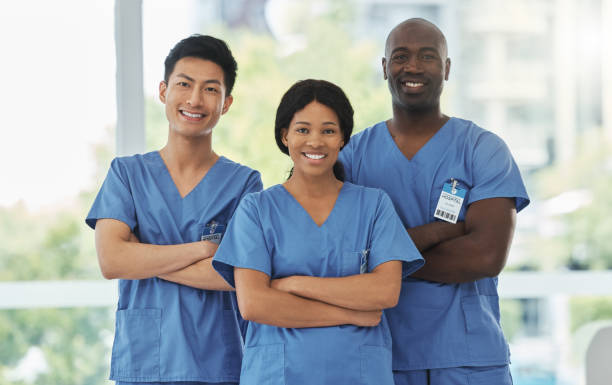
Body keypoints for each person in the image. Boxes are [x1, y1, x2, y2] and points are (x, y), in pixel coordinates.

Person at [338, 18, 530, 385]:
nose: (412, 66)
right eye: (400, 56)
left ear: (446, 68)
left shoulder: (482, 149)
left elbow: (486, 255)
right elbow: (341, 257)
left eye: (427, 56)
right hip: (382, 356)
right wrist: (441, 233)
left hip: (468, 359)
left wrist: (383, 261)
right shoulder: (352, 157)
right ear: (383, 68)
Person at [212, 79, 424, 385]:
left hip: (358, 374)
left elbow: (384, 292)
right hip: (279, 375)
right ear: (284, 135)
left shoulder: (374, 206)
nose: (315, 141)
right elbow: (255, 304)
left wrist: (295, 284)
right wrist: (352, 313)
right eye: (302, 130)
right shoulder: (256, 210)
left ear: (342, 139)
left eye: (328, 130)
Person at [85, 35, 262, 385]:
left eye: (211, 89)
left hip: (217, 365)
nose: (195, 100)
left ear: (226, 103)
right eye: (184, 84)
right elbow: (112, 262)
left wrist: (142, 258)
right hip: (144, 363)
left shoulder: (244, 184)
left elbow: (238, 277)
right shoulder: (127, 174)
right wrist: (202, 251)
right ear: (164, 91)